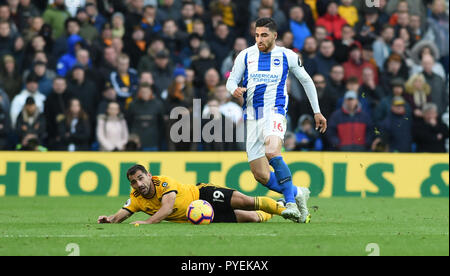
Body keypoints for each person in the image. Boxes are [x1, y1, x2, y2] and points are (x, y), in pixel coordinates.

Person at [226, 17, 326, 223]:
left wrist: (317, 111)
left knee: (272, 151)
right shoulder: (245, 55)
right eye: (256, 35)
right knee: (260, 175)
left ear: (274, 35)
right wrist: (233, 89)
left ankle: (290, 202)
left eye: (264, 35)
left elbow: (306, 81)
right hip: (252, 117)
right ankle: (298, 192)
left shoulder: (287, 55)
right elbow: (231, 80)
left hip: (275, 112)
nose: (259, 39)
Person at [97, 164, 297, 224]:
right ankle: (278, 204)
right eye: (134, 182)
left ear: (149, 175)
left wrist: (147, 223)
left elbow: (166, 209)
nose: (139, 184)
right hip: (201, 216)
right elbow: (123, 213)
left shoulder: (164, 182)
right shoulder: (136, 199)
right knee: (252, 218)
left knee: (246, 202)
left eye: (141, 178)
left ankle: (290, 211)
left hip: (203, 195)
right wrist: (110, 219)